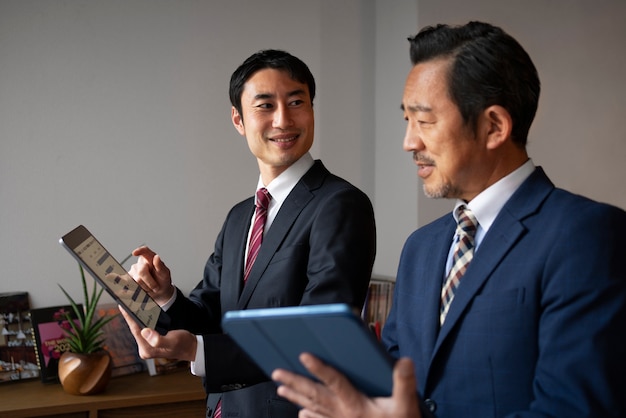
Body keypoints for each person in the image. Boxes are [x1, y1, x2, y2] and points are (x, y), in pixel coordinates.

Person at [272, 21, 626, 417]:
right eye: (406, 120)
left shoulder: (587, 235)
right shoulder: (421, 248)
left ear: (494, 126)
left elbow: (573, 410)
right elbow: (394, 389)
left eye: (424, 121)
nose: (409, 142)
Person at [122, 49, 376, 418]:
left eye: (296, 102)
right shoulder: (240, 217)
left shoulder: (341, 204)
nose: (283, 120)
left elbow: (317, 335)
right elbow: (211, 316)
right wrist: (164, 296)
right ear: (238, 120)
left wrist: (196, 351)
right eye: (265, 106)